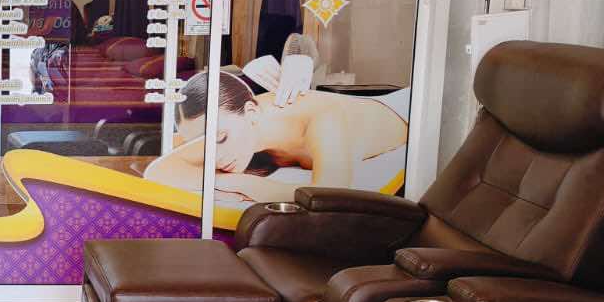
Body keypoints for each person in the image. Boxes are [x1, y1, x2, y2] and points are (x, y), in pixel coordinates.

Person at [142, 68, 409, 203]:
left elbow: (327, 197)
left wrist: (243, 184)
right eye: (204, 145)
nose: (216, 157)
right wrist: (223, 181)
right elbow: (159, 170)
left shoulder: (323, 120)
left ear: (251, 112)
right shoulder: (233, 121)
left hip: (411, 111)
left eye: (221, 138)